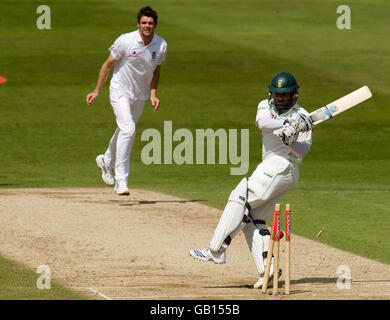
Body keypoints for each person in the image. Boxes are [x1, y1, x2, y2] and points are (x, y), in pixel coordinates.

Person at [189, 72, 313, 288]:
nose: (281, 98)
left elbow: (304, 150)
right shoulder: (266, 106)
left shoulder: (303, 116)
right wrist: (284, 125)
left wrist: (291, 139)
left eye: (285, 95)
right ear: (271, 94)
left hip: (283, 166)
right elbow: (261, 123)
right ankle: (269, 270)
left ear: (295, 94)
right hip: (270, 167)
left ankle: (216, 249)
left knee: (240, 198)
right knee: (253, 218)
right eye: (277, 95)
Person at [86, 6, 167, 195]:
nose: (147, 26)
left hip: (141, 95)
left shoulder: (161, 45)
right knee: (129, 130)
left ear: (155, 25)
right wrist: (97, 89)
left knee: (124, 130)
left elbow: (156, 70)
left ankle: (106, 160)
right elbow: (107, 65)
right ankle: (121, 180)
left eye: (151, 23)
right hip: (120, 91)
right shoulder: (125, 40)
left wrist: (153, 93)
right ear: (138, 24)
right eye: (144, 23)